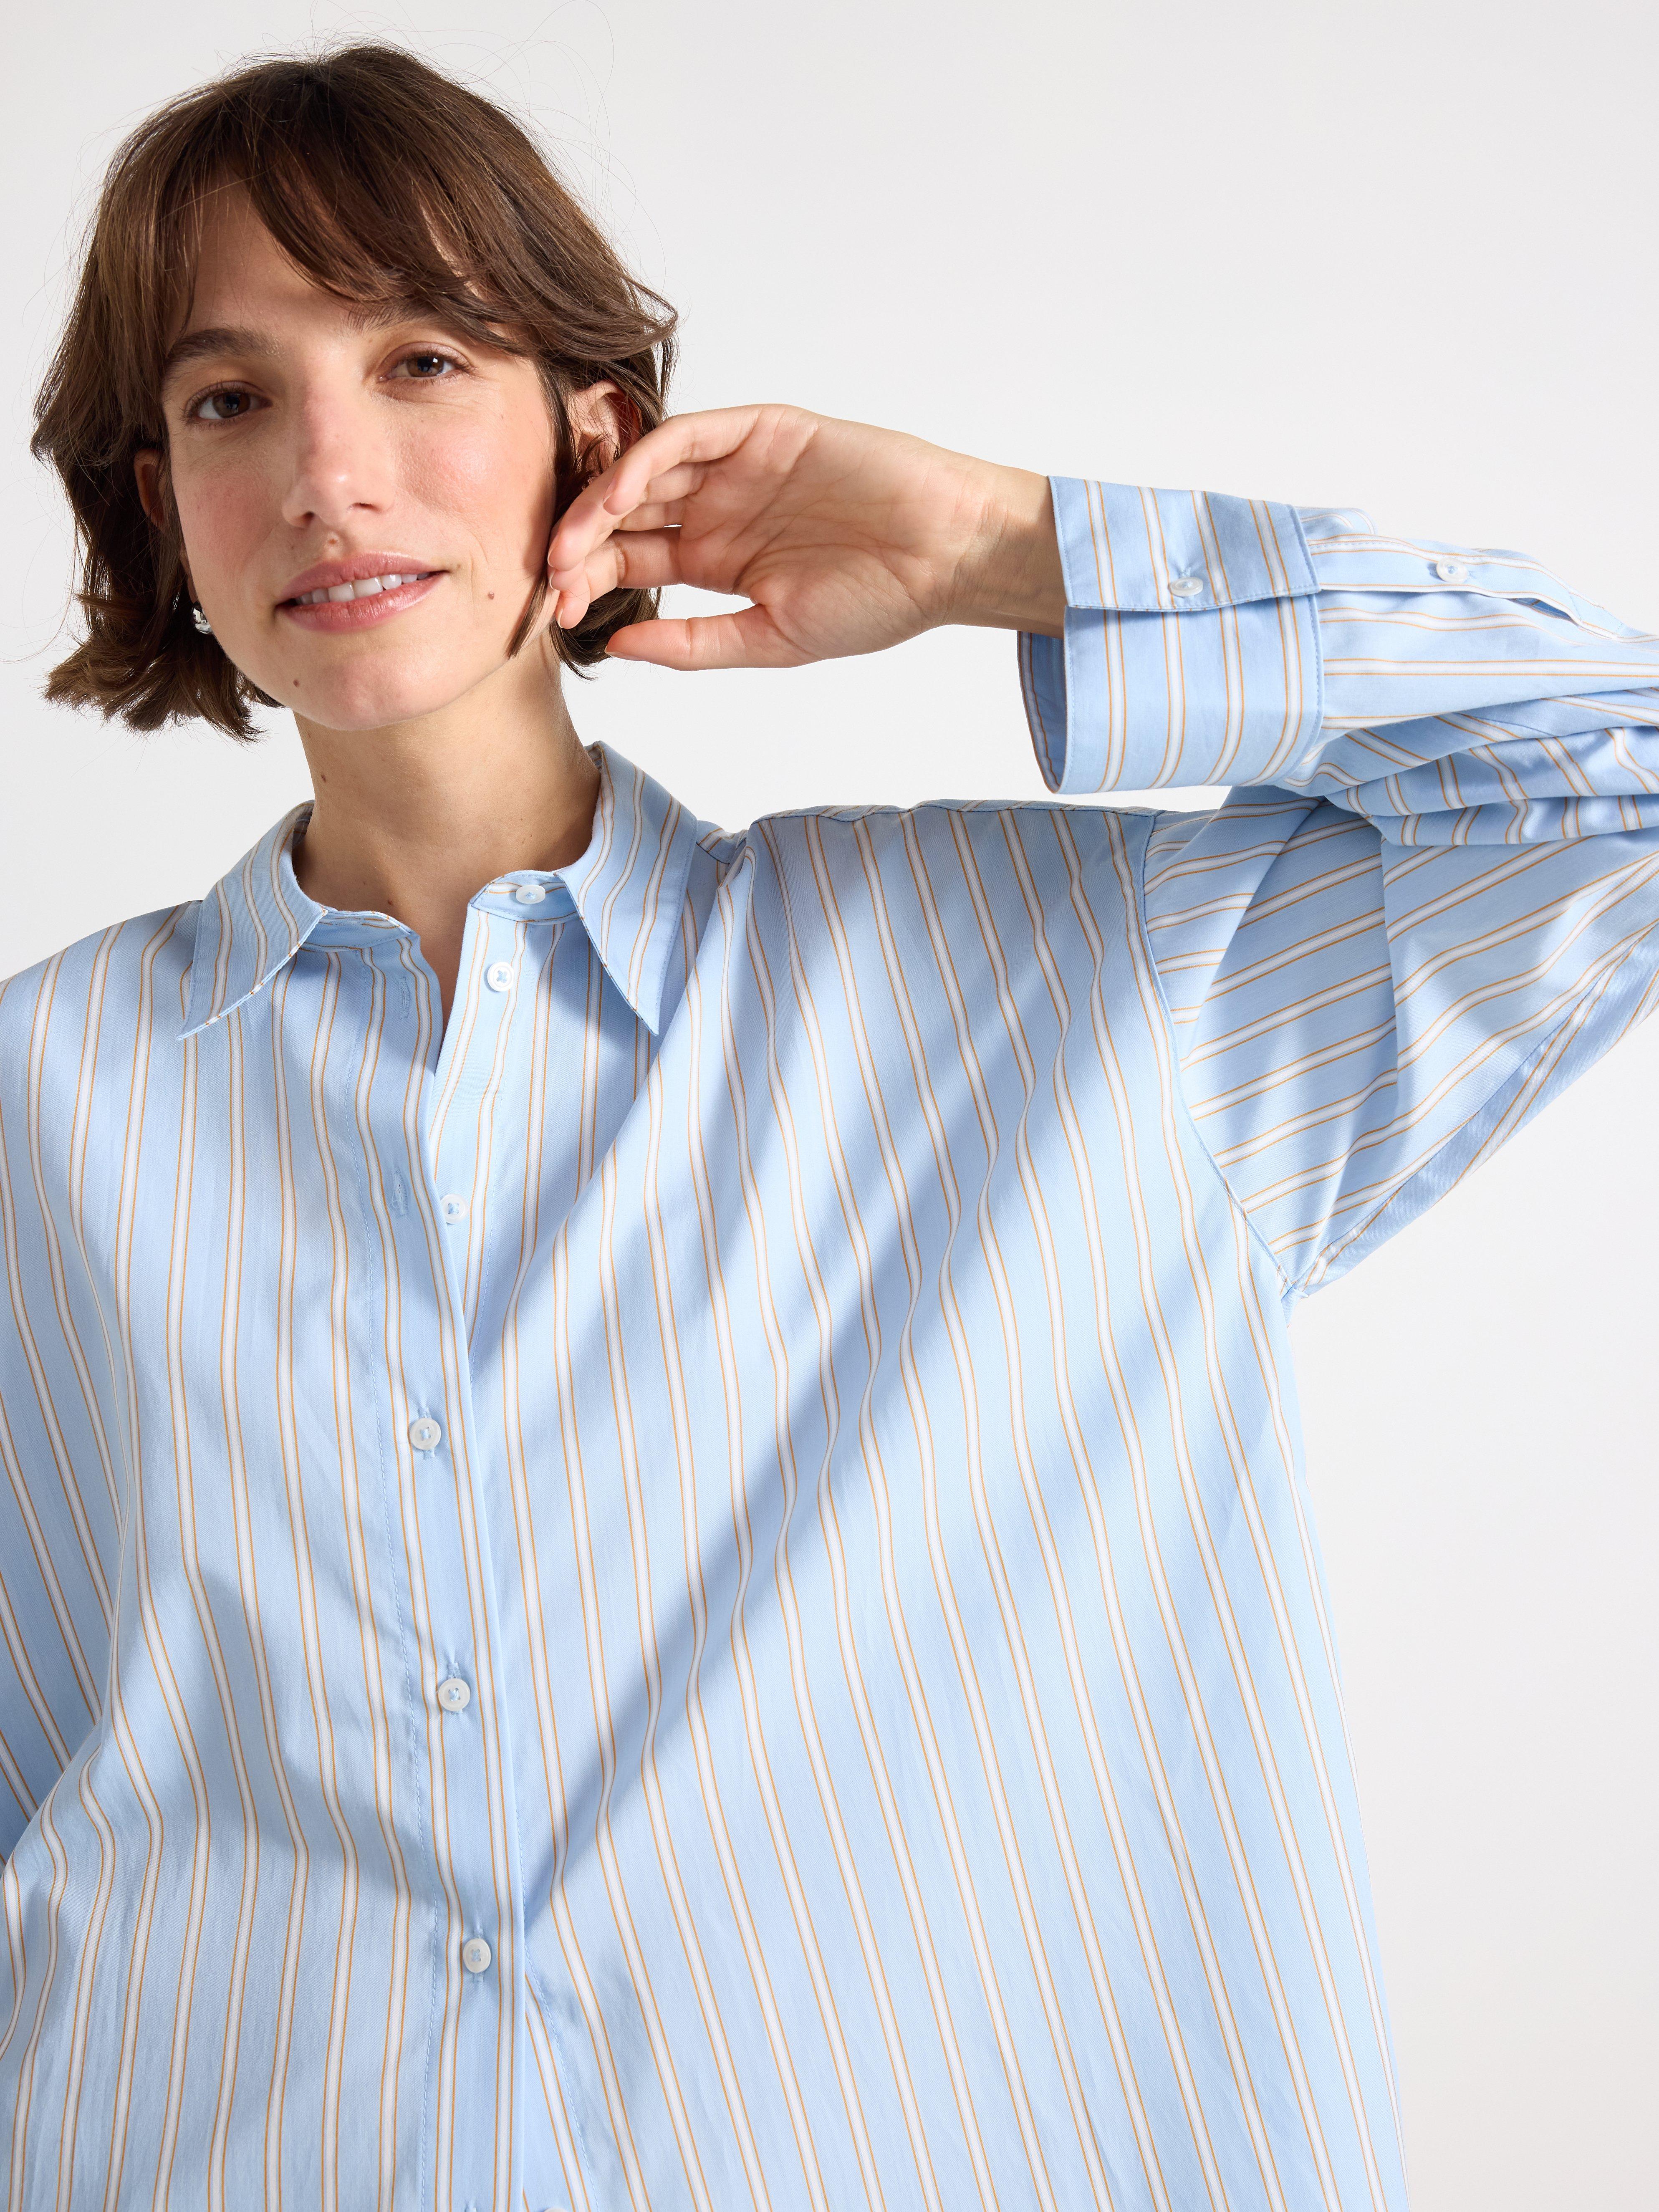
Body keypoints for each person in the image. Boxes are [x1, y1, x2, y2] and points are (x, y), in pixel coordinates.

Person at [3, 38, 1654, 2212]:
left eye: (420, 359)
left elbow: (1604, 777)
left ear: (591, 435)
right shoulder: (48, 1100)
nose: (330, 469)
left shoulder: (1075, 987)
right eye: (230, 398)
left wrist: (995, 546)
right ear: (156, 496)